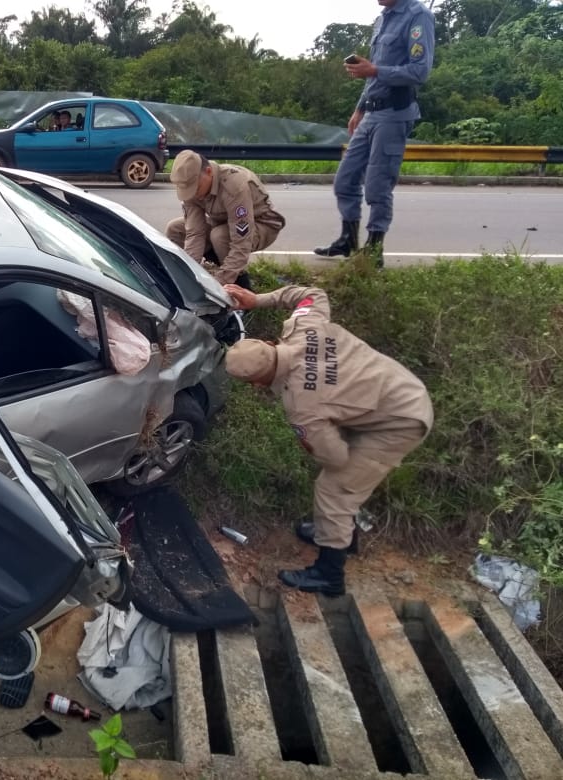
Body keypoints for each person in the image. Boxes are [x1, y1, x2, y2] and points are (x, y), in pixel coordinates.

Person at [220, 282, 433, 597]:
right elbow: (312, 294)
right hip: (397, 389)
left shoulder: (303, 408)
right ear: (266, 342)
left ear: (256, 383)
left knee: (334, 489)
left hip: (399, 422)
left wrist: (320, 441)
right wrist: (258, 300)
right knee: (346, 481)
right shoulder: (304, 326)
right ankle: (337, 532)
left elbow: (336, 458)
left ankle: (329, 575)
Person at [314, 0, 435, 262]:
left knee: (378, 185)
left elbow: (420, 71)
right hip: (371, 112)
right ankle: (348, 240)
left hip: (394, 113)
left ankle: (374, 248)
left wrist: (375, 70)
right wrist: (359, 108)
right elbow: (372, 74)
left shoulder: (418, 16)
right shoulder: (383, 18)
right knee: (345, 180)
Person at [166, 150, 286, 288]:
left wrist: (219, 283)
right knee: (175, 229)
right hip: (222, 222)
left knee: (219, 236)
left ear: (209, 171)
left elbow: (241, 240)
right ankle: (218, 261)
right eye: (188, 190)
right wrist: (189, 277)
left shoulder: (233, 186)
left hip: (261, 224)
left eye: (196, 187)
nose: (193, 194)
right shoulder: (190, 189)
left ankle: (240, 284)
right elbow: (195, 233)